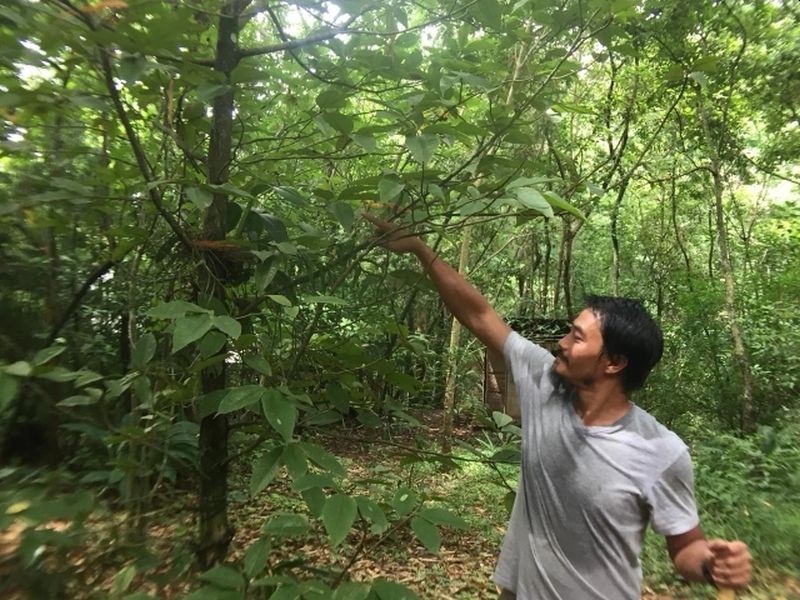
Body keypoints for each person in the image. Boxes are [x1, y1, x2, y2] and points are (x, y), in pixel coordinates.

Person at [365, 215, 752, 599]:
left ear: (613, 362)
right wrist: (419, 249)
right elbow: (479, 315)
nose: (562, 344)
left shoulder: (661, 451)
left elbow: (685, 548)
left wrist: (711, 565)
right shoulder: (544, 382)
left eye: (577, 337)